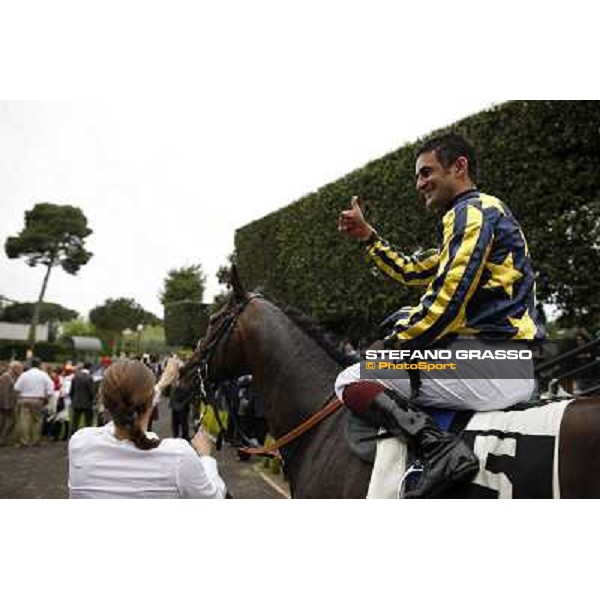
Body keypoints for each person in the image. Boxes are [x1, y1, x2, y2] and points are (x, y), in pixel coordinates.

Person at [336, 132, 544, 498]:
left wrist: (394, 345)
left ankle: (441, 451)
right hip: (505, 364)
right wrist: (369, 237)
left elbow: (448, 299)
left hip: (490, 366)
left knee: (351, 379)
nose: (420, 184)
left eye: (426, 172)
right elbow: (414, 271)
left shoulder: (471, 212)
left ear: (459, 166)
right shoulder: (479, 215)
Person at [68, 359, 227, 498]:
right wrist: (206, 457)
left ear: (103, 400)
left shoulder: (80, 442)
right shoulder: (178, 455)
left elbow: (131, 404)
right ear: (150, 402)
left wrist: (162, 382)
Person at [13, 357, 54, 446]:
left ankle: (25, 441)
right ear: (39, 365)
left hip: (24, 399)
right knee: (37, 421)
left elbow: (16, 388)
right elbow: (51, 389)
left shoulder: (24, 375)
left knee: (24, 420)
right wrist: (46, 398)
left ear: (30, 365)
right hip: (38, 400)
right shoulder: (43, 375)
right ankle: (35, 440)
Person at [0, 361, 24, 445]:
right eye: (20, 368)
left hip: (12, 403)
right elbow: (4, 392)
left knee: (9, 422)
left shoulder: (14, 376)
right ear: (14, 368)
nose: (21, 370)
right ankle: (2, 439)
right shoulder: (6, 377)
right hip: (6, 404)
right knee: (7, 421)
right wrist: (6, 405)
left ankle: (4, 439)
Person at [70, 363, 96, 435]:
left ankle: (72, 436)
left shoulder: (75, 377)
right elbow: (92, 391)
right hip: (87, 403)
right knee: (88, 422)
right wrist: (93, 401)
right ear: (90, 368)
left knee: (75, 422)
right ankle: (87, 436)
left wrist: (73, 399)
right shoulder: (89, 378)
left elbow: (71, 391)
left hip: (76, 401)